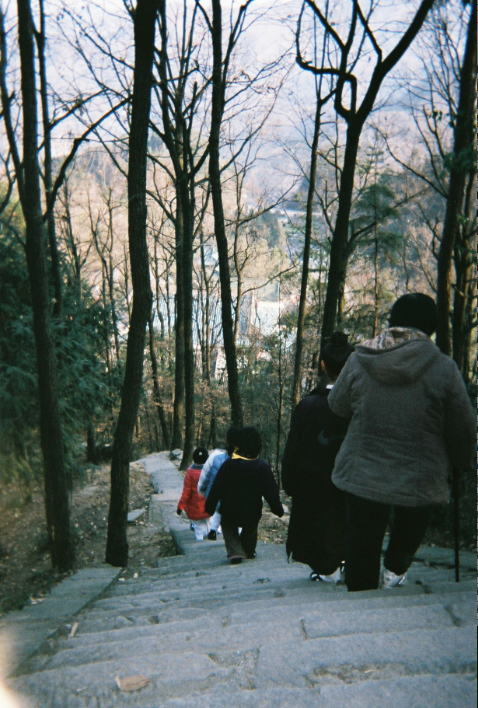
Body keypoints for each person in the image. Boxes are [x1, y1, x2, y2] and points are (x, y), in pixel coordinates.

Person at [328, 293, 475, 591]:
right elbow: (463, 429)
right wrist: (461, 466)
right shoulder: (444, 368)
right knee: (408, 532)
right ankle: (394, 571)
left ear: (392, 321)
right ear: (431, 327)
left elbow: (337, 405)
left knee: (362, 546)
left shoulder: (360, 359)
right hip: (420, 477)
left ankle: (361, 596)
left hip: (363, 471)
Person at [282, 332, 354, 583]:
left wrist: (290, 482)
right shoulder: (359, 404)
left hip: (314, 485)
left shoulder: (308, 405)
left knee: (321, 529)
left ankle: (327, 569)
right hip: (351, 483)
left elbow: (293, 449)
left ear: (323, 364)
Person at [205, 427, 284, 564]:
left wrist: (210, 506)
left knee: (228, 527)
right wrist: (277, 508)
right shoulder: (262, 466)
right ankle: (248, 550)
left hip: (230, 509)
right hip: (252, 510)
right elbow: (271, 491)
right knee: (250, 528)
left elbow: (217, 487)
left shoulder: (229, 464)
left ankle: (235, 551)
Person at [197, 427, 241, 540]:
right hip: (236, 500)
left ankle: (213, 530)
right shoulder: (244, 461)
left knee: (218, 512)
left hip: (218, 497)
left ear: (227, 441)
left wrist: (203, 491)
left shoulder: (216, 458)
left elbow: (206, 478)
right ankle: (240, 532)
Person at [177, 447, 211, 541]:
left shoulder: (190, 473)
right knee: (208, 523)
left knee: (198, 528)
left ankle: (199, 542)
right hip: (209, 506)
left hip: (195, 508)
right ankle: (209, 537)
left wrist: (180, 507)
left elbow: (186, 493)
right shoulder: (210, 472)